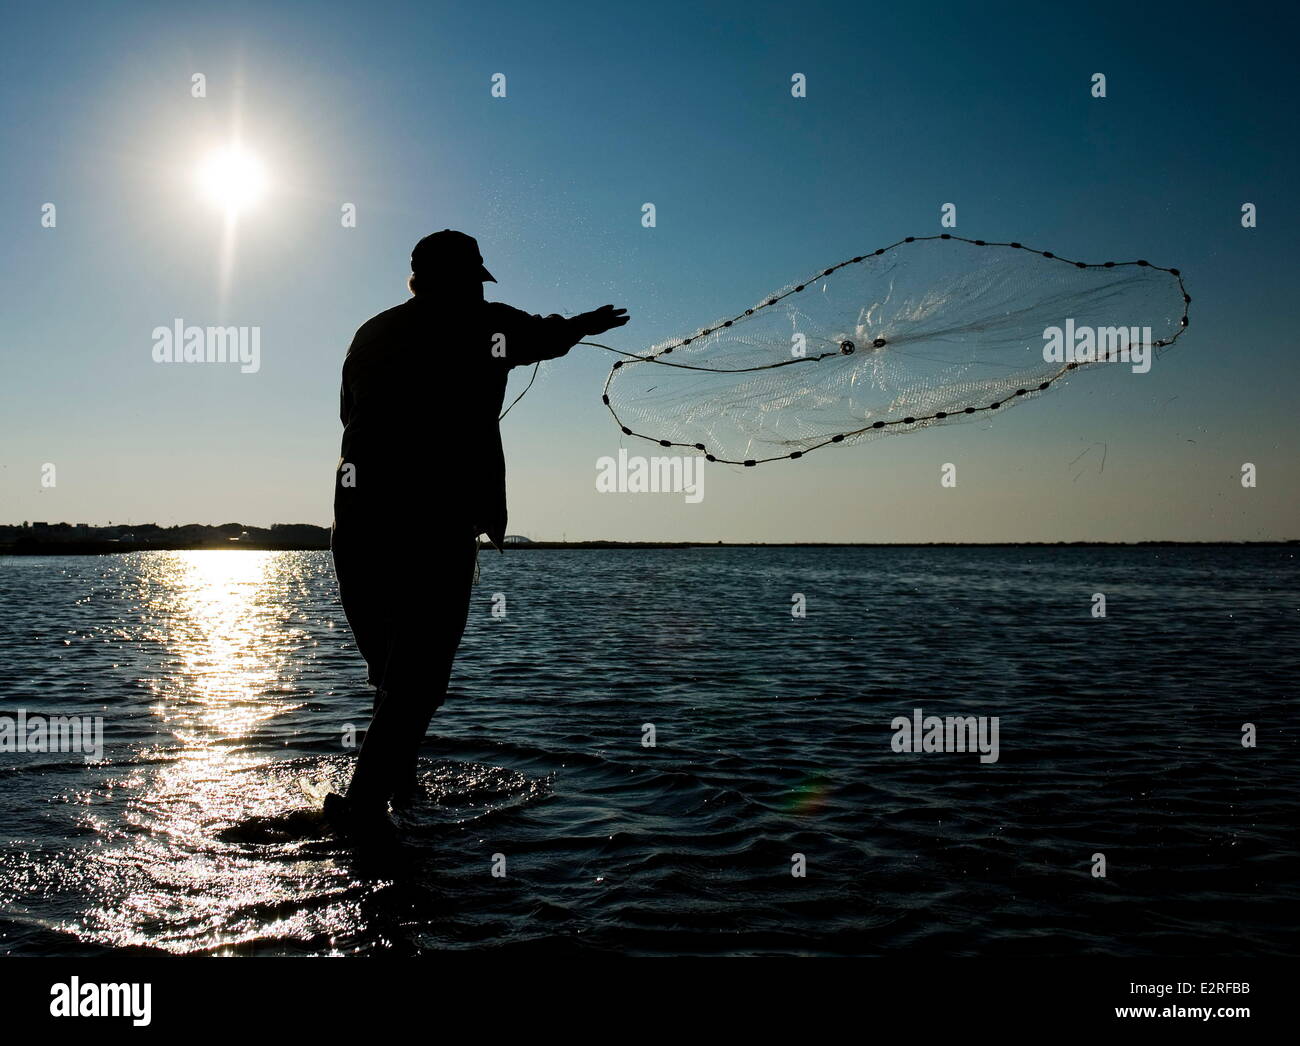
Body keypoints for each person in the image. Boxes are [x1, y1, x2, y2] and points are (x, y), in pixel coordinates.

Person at [325, 230, 627, 839]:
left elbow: (346, 414)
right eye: (471, 279)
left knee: (393, 670)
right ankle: (360, 810)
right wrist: (585, 323)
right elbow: (541, 336)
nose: (473, 289)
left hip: (356, 520)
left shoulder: (371, 332)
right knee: (420, 672)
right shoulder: (479, 323)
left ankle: (400, 795)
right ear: (462, 281)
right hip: (432, 518)